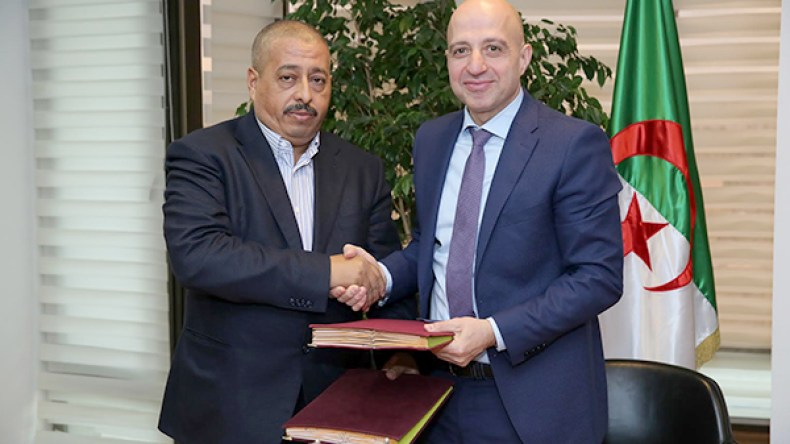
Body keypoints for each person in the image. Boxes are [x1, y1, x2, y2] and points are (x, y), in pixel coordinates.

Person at [335, 0, 624, 442]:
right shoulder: (432, 139)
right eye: (460, 50)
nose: (475, 66)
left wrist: (492, 332)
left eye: (493, 48)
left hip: (532, 404)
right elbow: (432, 247)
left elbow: (597, 277)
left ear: (523, 58)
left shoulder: (572, 144)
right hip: (437, 394)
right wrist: (378, 276)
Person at [157, 20, 413, 444]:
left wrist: (401, 353)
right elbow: (199, 256)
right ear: (253, 81)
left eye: (318, 80)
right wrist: (327, 273)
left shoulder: (362, 169)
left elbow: (386, 275)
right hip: (229, 407)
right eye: (288, 78)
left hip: (338, 404)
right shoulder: (203, 155)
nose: (305, 95)